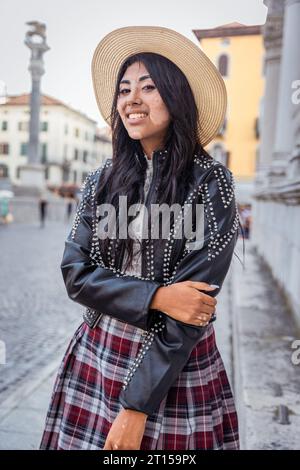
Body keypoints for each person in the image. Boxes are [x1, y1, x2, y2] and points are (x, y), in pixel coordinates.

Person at [40, 26, 241, 450]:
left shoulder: (210, 183)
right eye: (124, 89)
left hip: (172, 361)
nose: (132, 100)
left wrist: (135, 408)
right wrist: (155, 296)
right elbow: (76, 274)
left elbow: (191, 307)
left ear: (176, 96)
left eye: (148, 88)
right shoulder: (99, 181)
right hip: (98, 351)